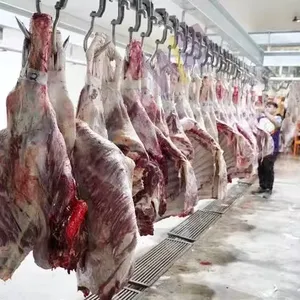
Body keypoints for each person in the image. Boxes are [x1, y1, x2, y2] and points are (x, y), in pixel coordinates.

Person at [253, 101, 283, 196]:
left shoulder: (278, 118)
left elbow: (277, 124)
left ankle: (269, 188)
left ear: (275, 109)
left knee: (268, 167)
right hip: (261, 147)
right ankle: (262, 186)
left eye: (270, 107)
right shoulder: (261, 118)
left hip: (272, 147)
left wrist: (265, 112)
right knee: (260, 167)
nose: (267, 108)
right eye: (266, 106)